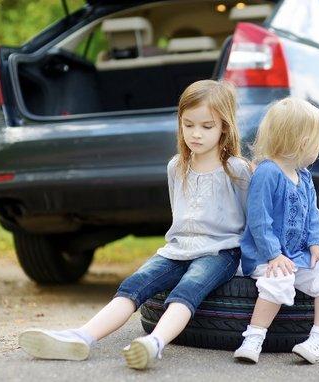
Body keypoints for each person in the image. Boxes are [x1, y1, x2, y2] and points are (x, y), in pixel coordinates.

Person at [18, 80, 252, 369]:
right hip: (177, 250)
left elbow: (250, 222)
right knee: (134, 285)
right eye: (188, 125)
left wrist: (251, 265)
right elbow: (180, 215)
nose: (195, 133)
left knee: (187, 289)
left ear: (224, 128)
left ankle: (154, 343)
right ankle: (82, 337)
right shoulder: (176, 166)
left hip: (220, 252)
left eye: (206, 126)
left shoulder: (237, 171)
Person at [233, 98, 319, 365]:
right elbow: (259, 220)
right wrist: (273, 255)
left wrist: (316, 248)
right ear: (302, 141)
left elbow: (313, 216)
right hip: (265, 256)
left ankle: (318, 338)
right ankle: (254, 338)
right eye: (318, 141)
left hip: (297, 255)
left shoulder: (303, 175)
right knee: (278, 280)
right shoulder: (268, 173)